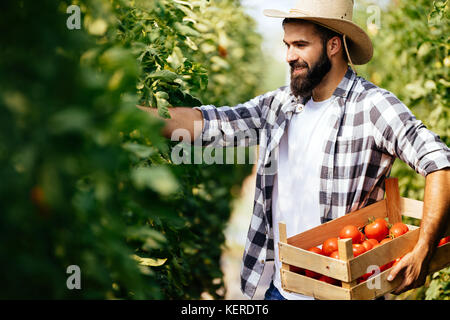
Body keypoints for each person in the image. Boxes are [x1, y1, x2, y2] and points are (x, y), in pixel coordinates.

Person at [137, 0, 450, 300]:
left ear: (333, 46)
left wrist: (424, 247)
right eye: (287, 45)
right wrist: (128, 114)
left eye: (300, 45)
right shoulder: (280, 105)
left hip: (346, 292)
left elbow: (439, 163)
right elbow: (211, 123)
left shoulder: (372, 106)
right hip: (278, 290)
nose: (289, 55)